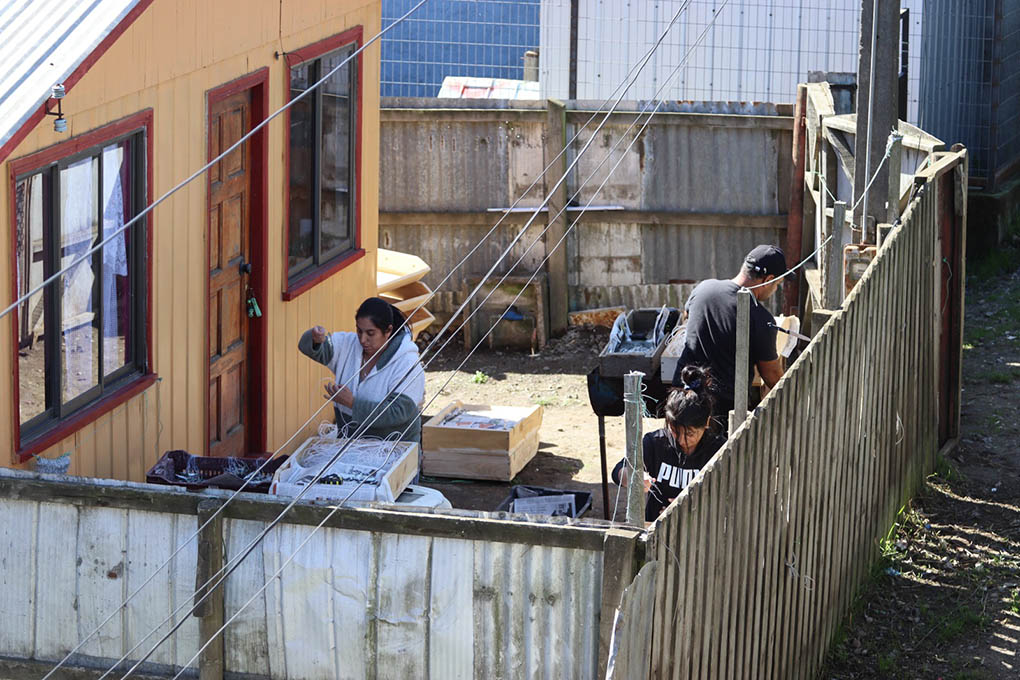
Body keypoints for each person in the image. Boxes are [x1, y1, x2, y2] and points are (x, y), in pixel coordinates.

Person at [670, 244, 787, 423]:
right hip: (720, 410)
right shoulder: (760, 318)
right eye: (777, 284)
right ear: (768, 279)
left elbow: (687, 316)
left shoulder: (704, 288)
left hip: (681, 394)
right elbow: (771, 375)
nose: (775, 289)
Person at [298, 297, 425, 442]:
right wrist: (315, 339)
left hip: (395, 449)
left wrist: (353, 403)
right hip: (350, 445)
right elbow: (310, 348)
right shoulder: (347, 344)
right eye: (359, 331)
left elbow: (399, 412)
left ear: (388, 331)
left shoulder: (407, 362)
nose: (363, 339)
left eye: (371, 333)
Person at [612, 365, 725, 522]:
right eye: (674, 431)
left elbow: (729, 496)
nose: (681, 440)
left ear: (706, 422)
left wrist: (691, 510)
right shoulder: (655, 443)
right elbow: (618, 471)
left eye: (690, 434)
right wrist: (633, 478)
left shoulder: (719, 451)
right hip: (653, 527)